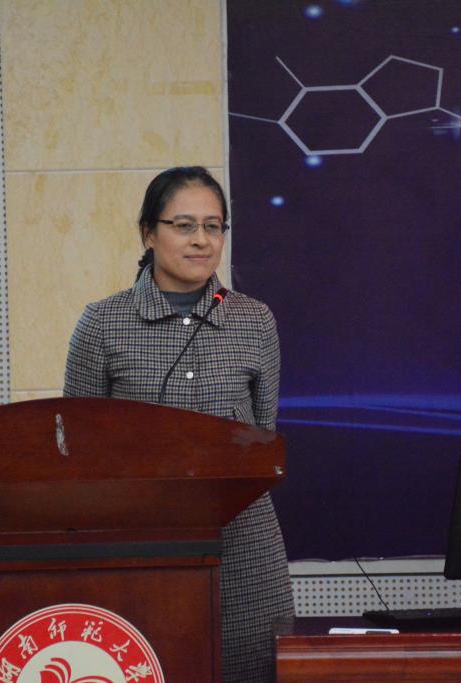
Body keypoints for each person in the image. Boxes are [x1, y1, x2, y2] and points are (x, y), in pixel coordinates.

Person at [63, 166, 294, 682]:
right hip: (139, 546)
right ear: (148, 233)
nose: (201, 240)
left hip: (244, 548)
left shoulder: (254, 321)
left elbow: (262, 436)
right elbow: (77, 450)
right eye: (184, 225)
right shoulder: (102, 324)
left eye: (213, 226)